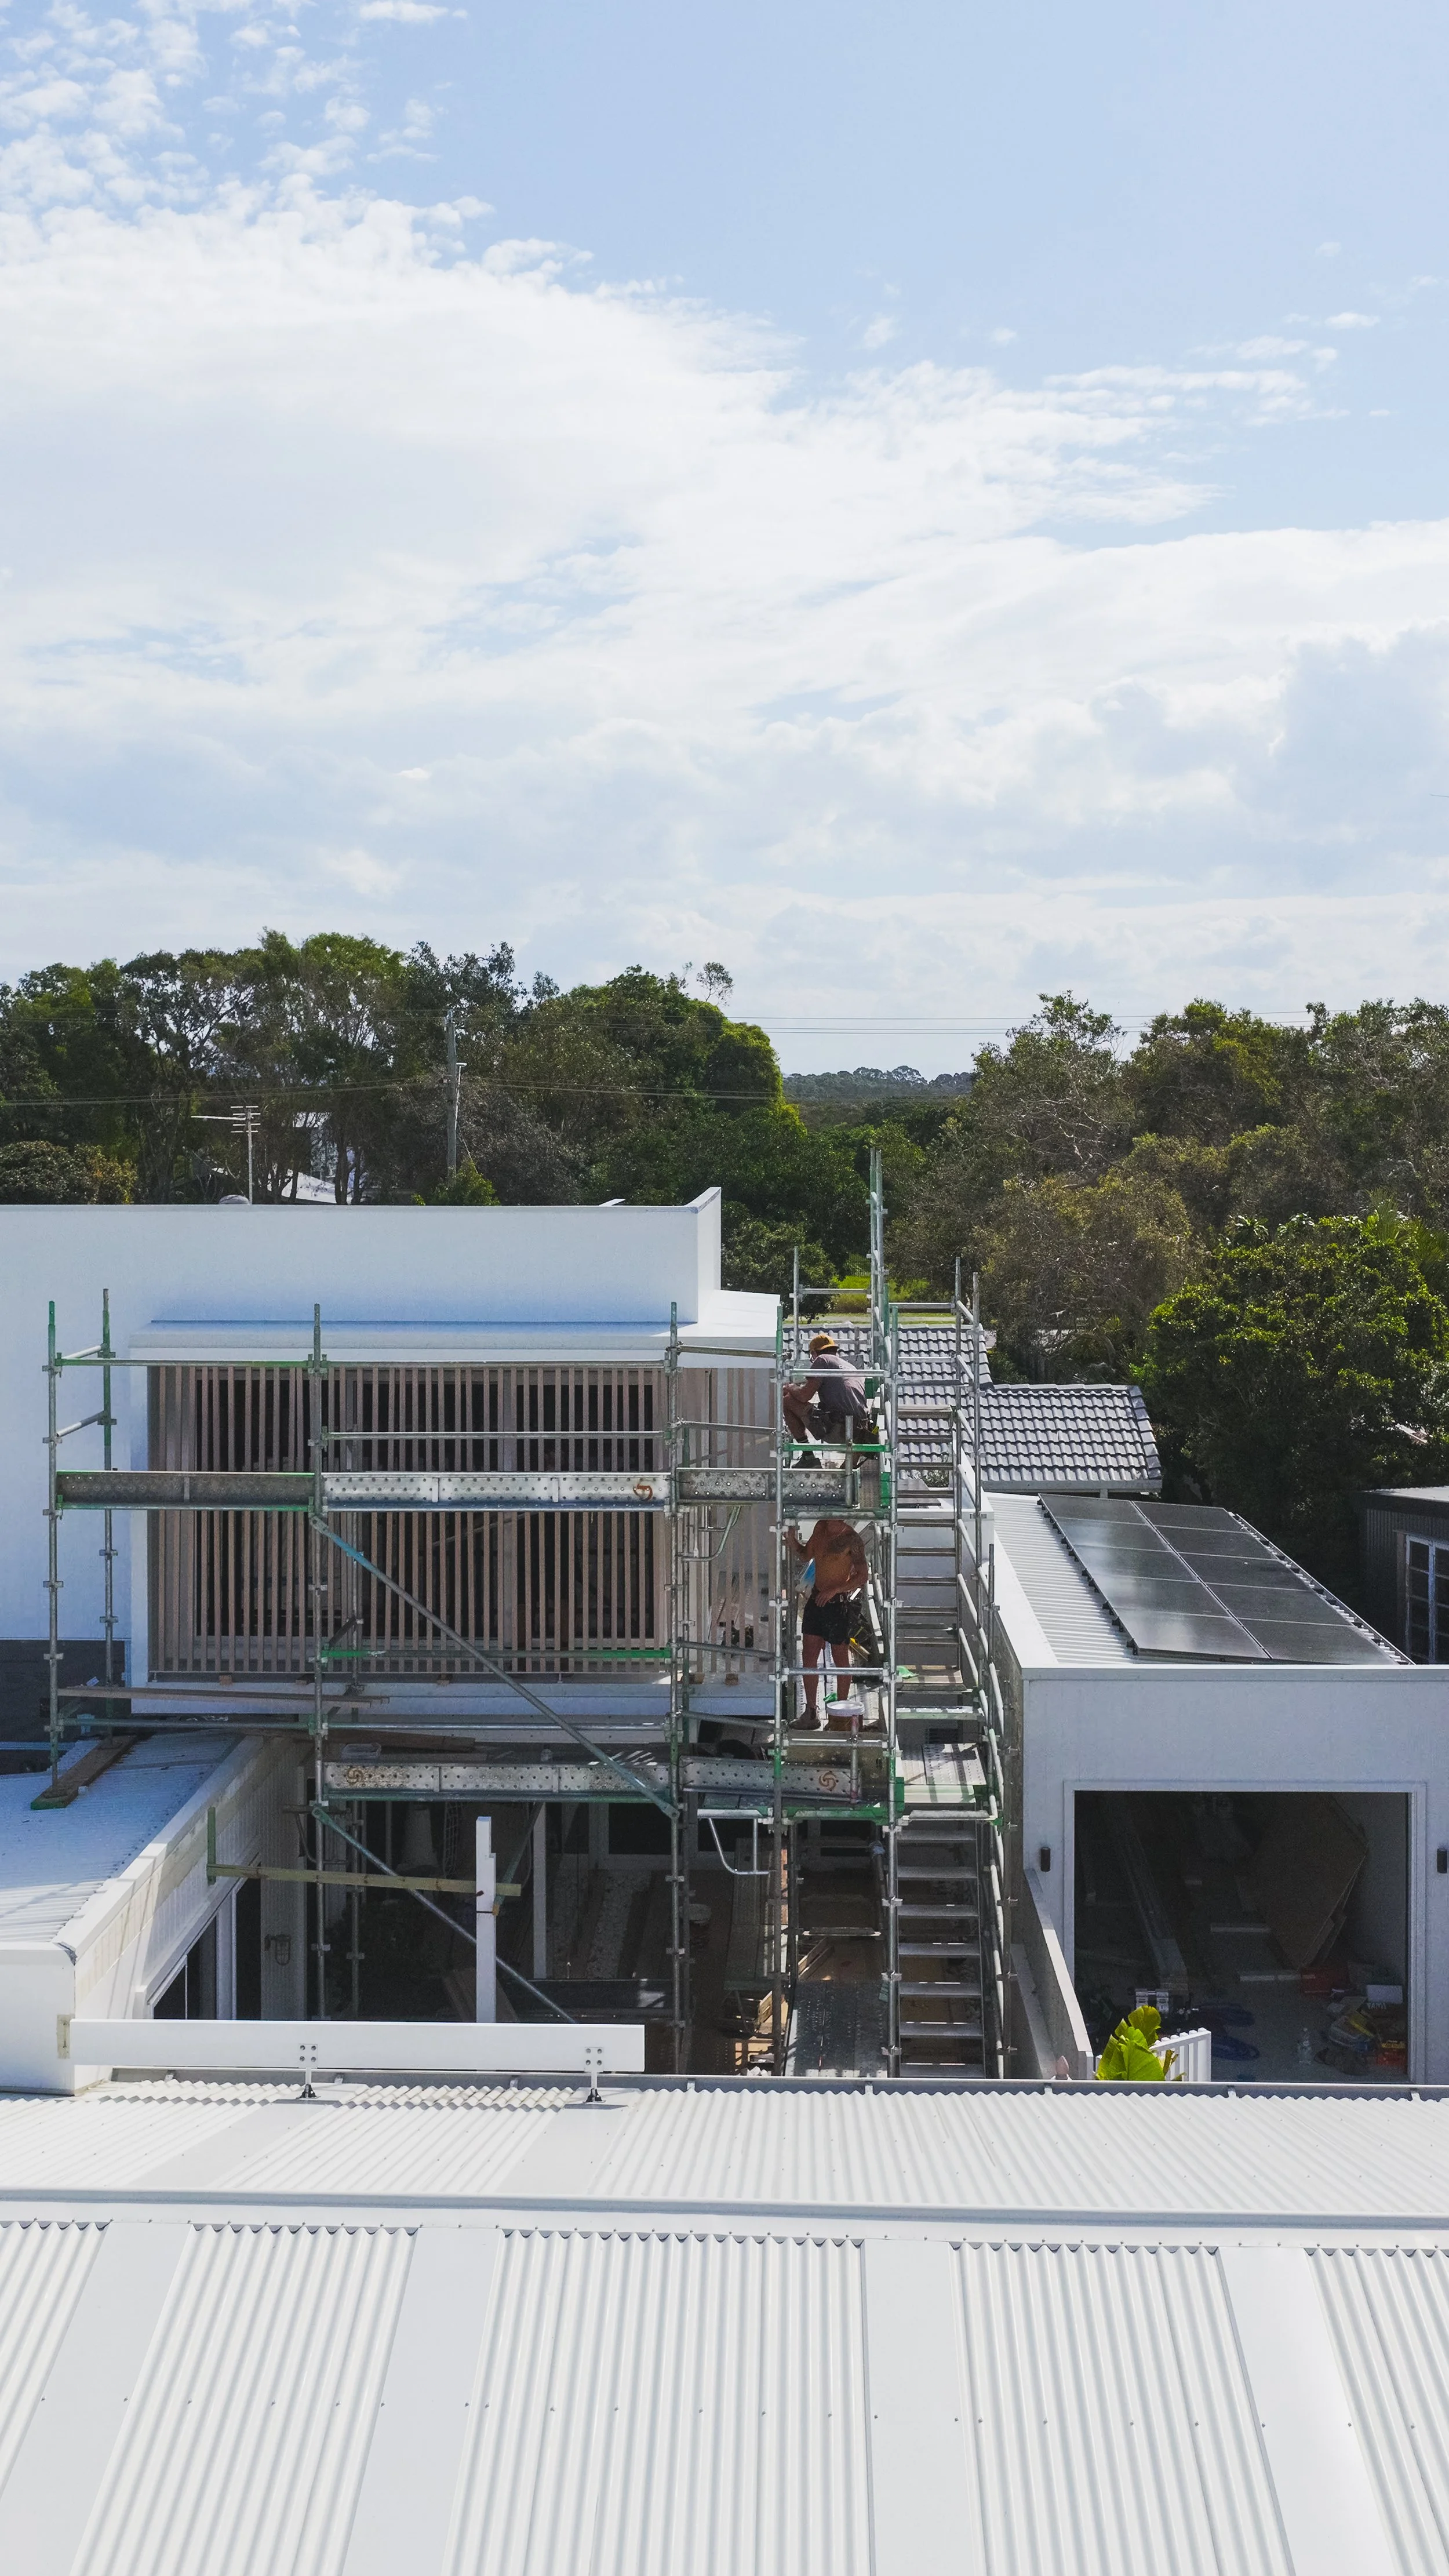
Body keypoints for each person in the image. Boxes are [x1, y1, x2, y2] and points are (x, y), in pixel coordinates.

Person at [788, 1516, 869, 1726]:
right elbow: (807, 1555)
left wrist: (836, 1590)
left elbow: (862, 1576)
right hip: (816, 1600)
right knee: (809, 1655)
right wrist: (792, 1541)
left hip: (837, 1604)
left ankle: (840, 1714)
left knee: (840, 1656)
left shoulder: (852, 1539)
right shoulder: (821, 1527)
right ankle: (811, 1712)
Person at [782, 1333, 870, 1454]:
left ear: (814, 1353)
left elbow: (804, 1396)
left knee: (787, 1401)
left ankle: (808, 1457)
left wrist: (791, 1388)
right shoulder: (851, 1367)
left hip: (839, 1429)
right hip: (860, 1433)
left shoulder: (822, 1359)